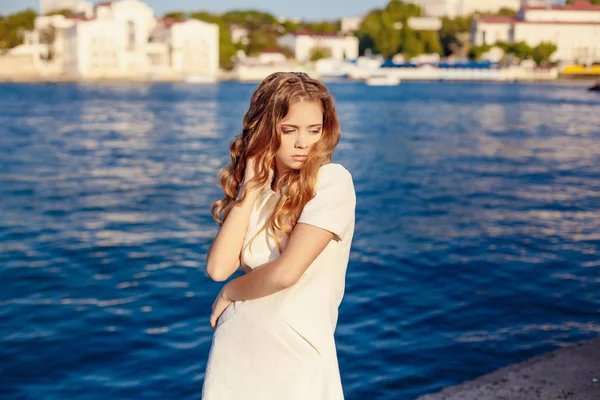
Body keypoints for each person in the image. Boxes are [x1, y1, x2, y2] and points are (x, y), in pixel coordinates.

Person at [201, 71, 356, 400]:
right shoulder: (261, 190)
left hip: (294, 358)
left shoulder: (331, 181)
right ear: (267, 129)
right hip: (237, 351)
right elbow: (217, 268)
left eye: (314, 130)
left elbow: (287, 272)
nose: (303, 143)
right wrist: (249, 190)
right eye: (289, 130)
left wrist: (230, 292)